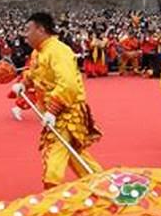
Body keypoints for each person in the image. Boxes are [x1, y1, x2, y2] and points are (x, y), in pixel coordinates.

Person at [14, 12, 103, 188]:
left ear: (40, 29)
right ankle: (104, 184)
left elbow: (68, 84)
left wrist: (53, 110)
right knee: (75, 155)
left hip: (67, 111)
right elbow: (35, 73)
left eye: (28, 29)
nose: (25, 35)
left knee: (55, 154)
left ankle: (51, 194)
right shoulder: (37, 53)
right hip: (53, 111)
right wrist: (24, 83)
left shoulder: (59, 50)